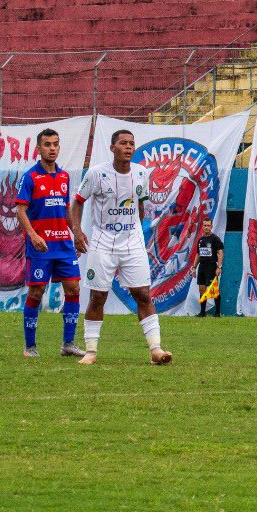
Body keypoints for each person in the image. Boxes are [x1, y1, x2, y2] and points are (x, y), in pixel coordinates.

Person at [69, 129, 172, 366]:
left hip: (132, 241)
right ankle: (91, 351)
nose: (128, 147)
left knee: (143, 294)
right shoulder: (97, 174)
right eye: (123, 143)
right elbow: (77, 202)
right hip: (103, 241)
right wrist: (77, 231)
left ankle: (156, 350)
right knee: (97, 296)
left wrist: (137, 228)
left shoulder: (141, 173)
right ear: (113, 148)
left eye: (131, 144)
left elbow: (141, 205)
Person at [15, 128, 82, 358]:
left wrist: (76, 234)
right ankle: (30, 346)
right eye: (47, 144)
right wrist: (33, 235)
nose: (52, 148)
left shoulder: (64, 176)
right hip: (40, 246)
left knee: (73, 288)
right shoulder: (30, 176)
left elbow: (66, 209)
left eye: (55, 144)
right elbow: (20, 211)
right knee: (36, 292)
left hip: (63, 244)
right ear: (39, 148)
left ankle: (68, 344)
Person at [196, 218, 224, 317]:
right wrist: (194, 267)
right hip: (202, 267)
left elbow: (220, 253)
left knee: (214, 290)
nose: (206, 227)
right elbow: (198, 254)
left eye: (208, 225)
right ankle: (202, 312)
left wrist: (219, 267)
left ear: (211, 226)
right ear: (202, 226)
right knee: (202, 289)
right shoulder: (200, 240)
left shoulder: (215, 239)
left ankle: (217, 313)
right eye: (205, 225)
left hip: (212, 267)